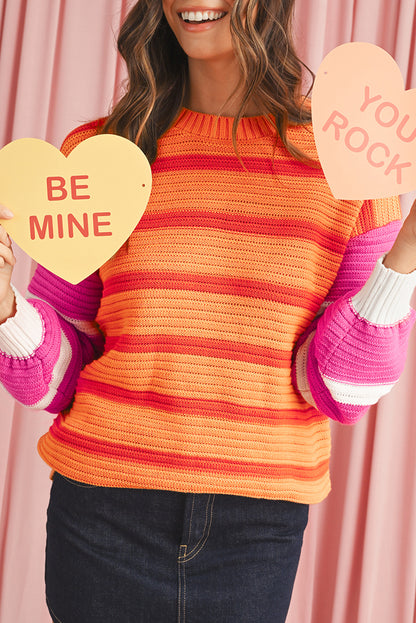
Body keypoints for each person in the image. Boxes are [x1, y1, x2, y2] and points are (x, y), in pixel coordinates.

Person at [0, 1, 415, 621]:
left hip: (257, 523)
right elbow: (56, 381)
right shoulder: (101, 154)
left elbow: (341, 390)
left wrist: (407, 248)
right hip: (102, 506)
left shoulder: (351, 158)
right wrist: (5, 307)